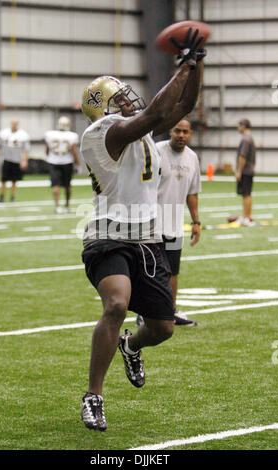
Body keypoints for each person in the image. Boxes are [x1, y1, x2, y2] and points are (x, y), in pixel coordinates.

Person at [79, 28, 205, 431]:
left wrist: (196, 65)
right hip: (107, 235)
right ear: (103, 110)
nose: (126, 100)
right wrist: (181, 62)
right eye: (117, 99)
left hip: (148, 237)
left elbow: (185, 102)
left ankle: (131, 345)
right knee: (116, 303)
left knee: (163, 328)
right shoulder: (101, 134)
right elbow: (153, 112)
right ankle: (94, 397)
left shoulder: (139, 128)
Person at [136, 119, 201, 328]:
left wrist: (196, 221)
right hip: (152, 223)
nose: (181, 135)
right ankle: (143, 312)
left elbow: (192, 193)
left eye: (185, 132)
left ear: (190, 134)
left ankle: (170, 311)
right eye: (177, 131)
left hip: (175, 224)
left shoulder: (192, 158)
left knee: (173, 270)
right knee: (150, 270)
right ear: (170, 131)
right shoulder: (156, 150)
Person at [0, 118, 30, 202]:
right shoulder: (4, 133)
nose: (14, 125)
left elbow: (26, 149)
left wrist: (25, 160)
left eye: (15, 123)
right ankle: (1, 196)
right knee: (4, 179)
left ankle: (12, 197)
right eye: (13, 123)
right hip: (7, 159)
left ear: (18, 124)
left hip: (17, 160)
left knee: (14, 180)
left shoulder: (23, 135)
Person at [45, 116, 80, 214]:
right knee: (67, 186)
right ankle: (67, 205)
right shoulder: (72, 135)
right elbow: (73, 151)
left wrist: (50, 157)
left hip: (53, 162)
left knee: (55, 185)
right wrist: (78, 164)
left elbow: (47, 150)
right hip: (67, 162)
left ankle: (57, 206)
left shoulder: (50, 134)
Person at [228, 119, 256, 226]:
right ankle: (247, 216)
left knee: (246, 194)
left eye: (239, 126)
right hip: (249, 170)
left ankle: (245, 217)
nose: (238, 128)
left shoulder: (245, 139)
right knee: (247, 194)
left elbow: (242, 156)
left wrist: (239, 171)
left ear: (243, 126)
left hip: (245, 170)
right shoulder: (250, 138)